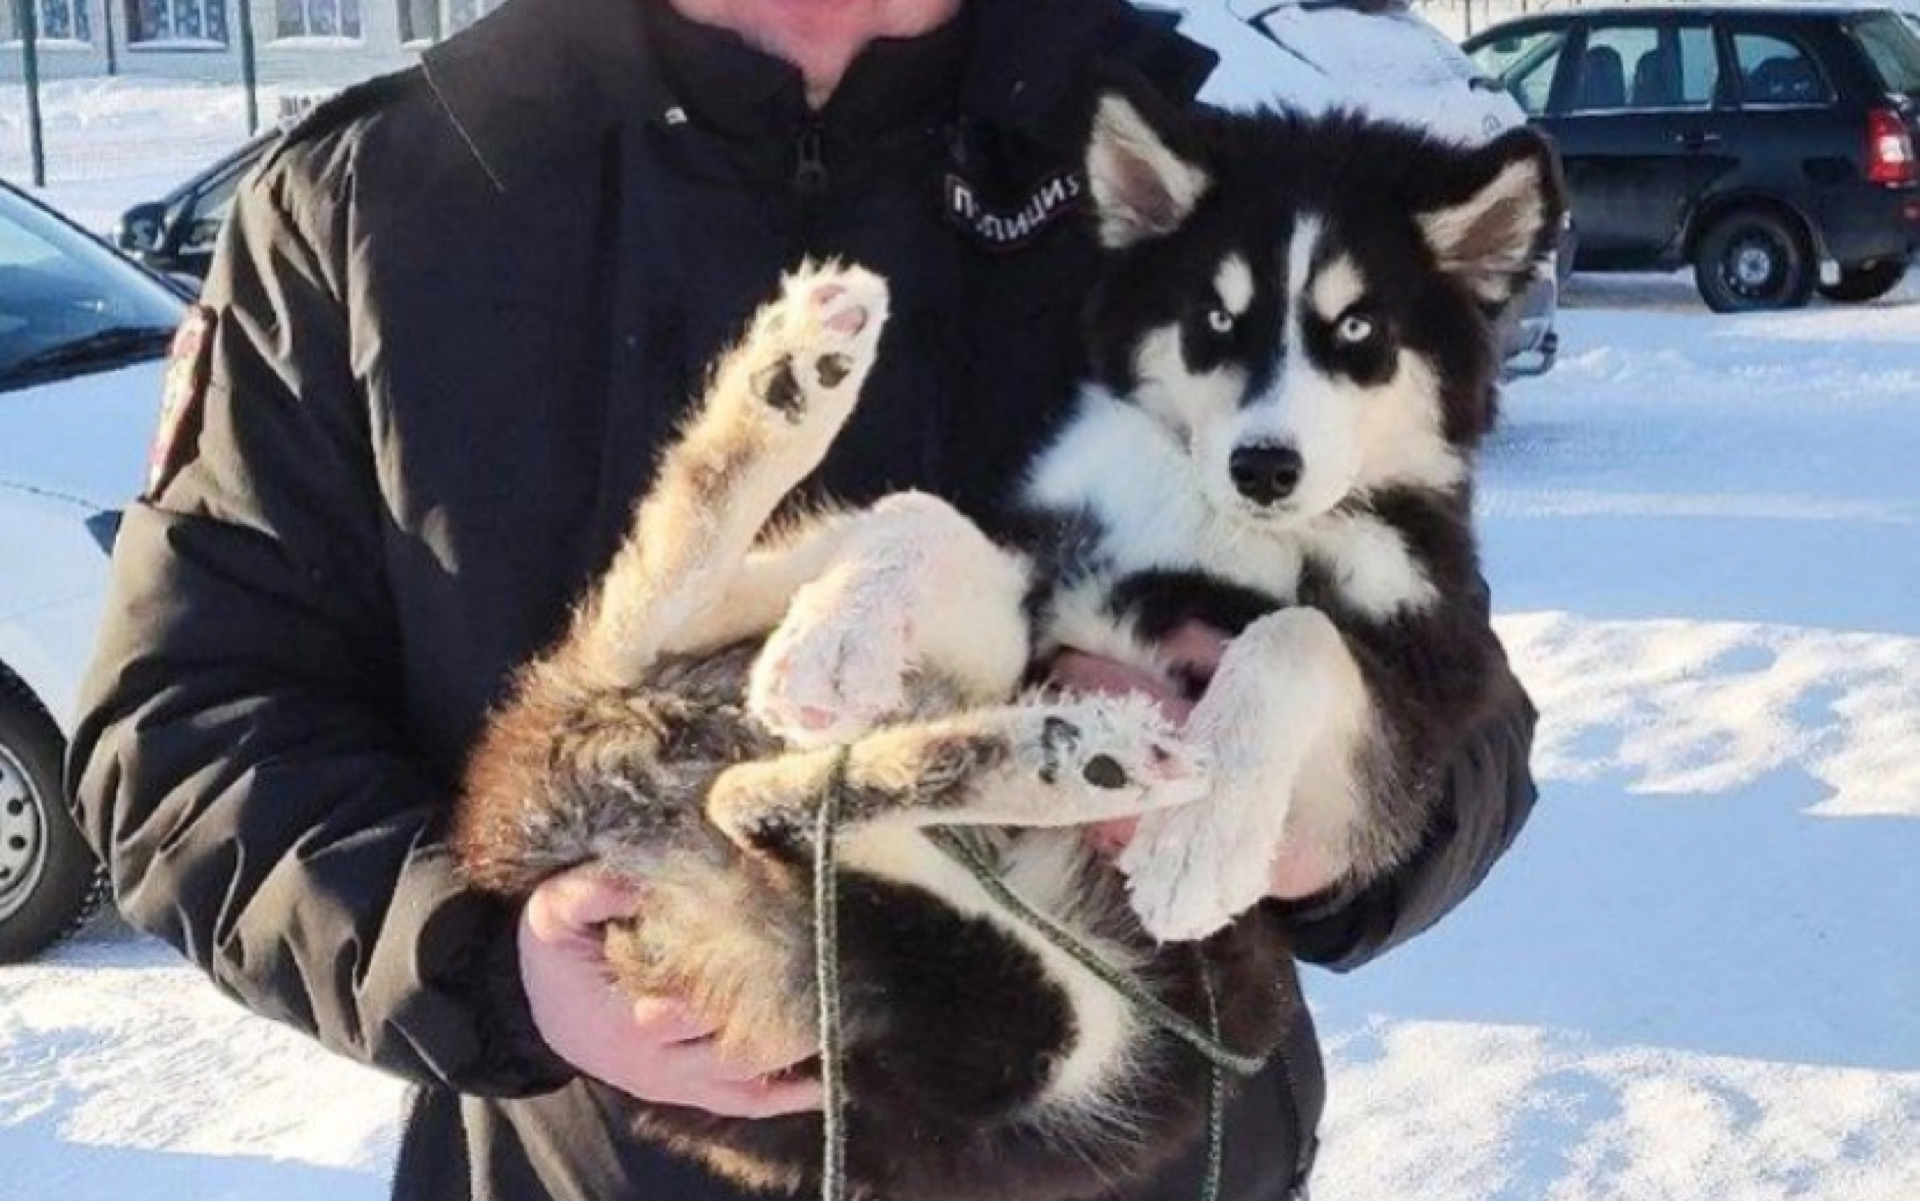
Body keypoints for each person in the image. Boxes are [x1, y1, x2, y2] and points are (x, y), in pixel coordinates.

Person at [67, 0, 1541, 1198]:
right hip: (608, 1167)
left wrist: (1322, 819)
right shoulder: (380, 198)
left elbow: (1460, 715)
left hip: (1128, 1126)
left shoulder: (1188, 162)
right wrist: (486, 962)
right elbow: (183, 735)